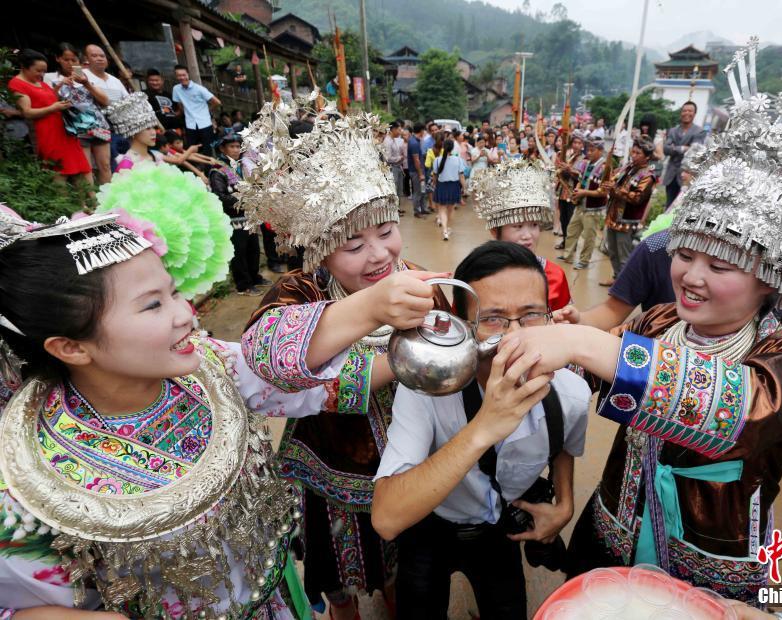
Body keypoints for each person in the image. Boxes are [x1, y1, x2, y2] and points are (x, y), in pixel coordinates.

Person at [500, 38, 782, 603]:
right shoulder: (658, 322)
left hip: (713, 565)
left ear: (769, 278)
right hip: (616, 528)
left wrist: (584, 342)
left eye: (721, 264)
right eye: (685, 254)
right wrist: (530, 332)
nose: (691, 276)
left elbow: (732, 409)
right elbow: (593, 380)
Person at [0, 197, 343, 616]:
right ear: (71, 346)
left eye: (174, 291)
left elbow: (288, 372)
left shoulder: (205, 364)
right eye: (152, 304)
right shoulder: (25, 483)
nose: (186, 314)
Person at [238, 99, 449, 620]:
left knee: (407, 569)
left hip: (410, 462)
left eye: (385, 231)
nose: (379, 255)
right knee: (340, 582)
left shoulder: (419, 278)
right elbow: (264, 356)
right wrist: (371, 314)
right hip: (331, 463)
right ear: (320, 251)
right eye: (353, 244)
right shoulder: (298, 290)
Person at [372, 241, 591, 619]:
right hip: (429, 527)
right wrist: (484, 427)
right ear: (463, 327)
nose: (516, 336)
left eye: (531, 315)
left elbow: (564, 448)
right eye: (493, 318)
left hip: (500, 529)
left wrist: (565, 505)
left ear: (552, 319)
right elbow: (387, 518)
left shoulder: (570, 394)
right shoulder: (427, 390)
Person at [473, 158, 572, 311]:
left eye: (534, 225)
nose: (528, 235)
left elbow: (566, 328)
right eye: (517, 226)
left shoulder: (554, 276)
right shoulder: (476, 275)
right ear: (494, 231)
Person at [555, 229, 675, 330]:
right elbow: (613, 310)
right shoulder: (656, 246)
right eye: (685, 256)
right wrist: (579, 321)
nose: (691, 278)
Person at [7, 49, 92, 184]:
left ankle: (88, 203)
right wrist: (54, 108)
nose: (41, 74)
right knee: (58, 170)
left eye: (44, 71)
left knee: (80, 166)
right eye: (38, 70)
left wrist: (59, 87)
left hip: (62, 128)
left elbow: (49, 99)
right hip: (46, 131)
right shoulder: (17, 83)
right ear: (24, 67)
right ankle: (64, 204)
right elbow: (27, 112)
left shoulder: (40, 82)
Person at [209, 133, 271, 296]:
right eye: (232, 146)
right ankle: (243, 285)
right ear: (223, 149)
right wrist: (243, 201)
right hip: (233, 217)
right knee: (239, 251)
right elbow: (219, 196)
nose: (236, 150)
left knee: (254, 248)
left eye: (238, 146)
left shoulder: (241, 166)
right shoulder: (217, 170)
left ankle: (254, 277)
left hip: (249, 214)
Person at [45, 42, 112, 185]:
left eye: (74, 60)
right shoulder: (50, 78)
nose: (70, 63)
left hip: (98, 125)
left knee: (105, 165)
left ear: (80, 62)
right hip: (76, 129)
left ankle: (108, 200)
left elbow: (105, 100)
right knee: (86, 169)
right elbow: (48, 102)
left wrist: (86, 83)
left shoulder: (86, 76)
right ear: (58, 59)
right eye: (66, 59)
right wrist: (61, 84)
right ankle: (91, 204)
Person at [599, 138, 658, 286]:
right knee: (612, 251)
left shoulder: (647, 176)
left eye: (638, 153)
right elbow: (613, 180)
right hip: (613, 215)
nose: (634, 155)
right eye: (633, 151)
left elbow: (637, 198)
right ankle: (617, 278)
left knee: (624, 255)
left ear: (647, 157)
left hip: (626, 220)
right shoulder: (628, 168)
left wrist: (615, 189)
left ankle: (625, 285)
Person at [560, 138, 607, 270]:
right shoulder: (586, 163)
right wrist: (576, 189)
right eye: (588, 150)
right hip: (580, 204)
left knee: (589, 236)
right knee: (571, 230)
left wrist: (583, 192)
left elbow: (603, 192)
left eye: (592, 150)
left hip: (593, 208)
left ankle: (584, 261)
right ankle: (567, 255)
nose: (589, 153)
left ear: (600, 151)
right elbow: (580, 178)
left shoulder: (605, 167)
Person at [661, 101, 705, 207]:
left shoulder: (699, 131)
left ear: (694, 114)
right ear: (681, 113)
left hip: (686, 176)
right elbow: (666, 149)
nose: (686, 113)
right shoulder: (672, 131)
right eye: (684, 110)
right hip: (671, 176)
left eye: (690, 111)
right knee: (669, 206)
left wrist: (675, 148)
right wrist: (683, 148)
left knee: (681, 208)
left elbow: (695, 151)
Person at [172, 64, 221, 156]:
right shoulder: (176, 89)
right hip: (190, 124)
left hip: (205, 123)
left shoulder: (199, 89)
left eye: (184, 75)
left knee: (208, 150)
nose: (182, 77)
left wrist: (208, 110)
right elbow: (179, 104)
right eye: (179, 75)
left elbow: (217, 102)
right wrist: (182, 112)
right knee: (191, 150)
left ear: (188, 75)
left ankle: (209, 169)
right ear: (176, 76)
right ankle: (196, 170)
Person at [107, 92, 164, 171]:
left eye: (153, 127)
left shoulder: (156, 156)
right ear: (133, 132)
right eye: (147, 128)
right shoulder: (127, 163)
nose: (153, 132)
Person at [554, 132, 586, 250]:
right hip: (563, 191)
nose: (576, 145)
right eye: (575, 143)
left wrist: (569, 170)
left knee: (571, 221)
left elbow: (581, 176)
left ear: (582, 145)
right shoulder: (569, 156)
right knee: (563, 219)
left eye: (579, 143)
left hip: (573, 192)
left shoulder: (584, 159)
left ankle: (572, 244)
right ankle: (565, 241)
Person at [432, 137, 467, 241]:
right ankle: (447, 228)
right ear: (452, 148)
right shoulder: (458, 160)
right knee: (450, 210)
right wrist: (464, 188)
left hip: (441, 186)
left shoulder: (437, 160)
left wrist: (434, 184)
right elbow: (461, 176)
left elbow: (434, 176)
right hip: (454, 187)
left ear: (443, 147)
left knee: (442, 210)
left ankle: (445, 231)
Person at [384, 121, 406, 212]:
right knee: (394, 189)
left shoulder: (394, 139)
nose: (400, 131)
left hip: (398, 167)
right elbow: (387, 158)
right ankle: (394, 210)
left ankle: (398, 208)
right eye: (399, 129)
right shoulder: (387, 141)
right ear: (393, 129)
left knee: (399, 189)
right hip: (392, 167)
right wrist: (399, 158)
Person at [408, 123, 429, 218]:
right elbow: (416, 160)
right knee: (417, 192)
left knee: (423, 190)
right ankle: (417, 211)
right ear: (421, 131)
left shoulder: (415, 140)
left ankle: (423, 208)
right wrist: (420, 174)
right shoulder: (414, 143)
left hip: (420, 170)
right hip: (416, 171)